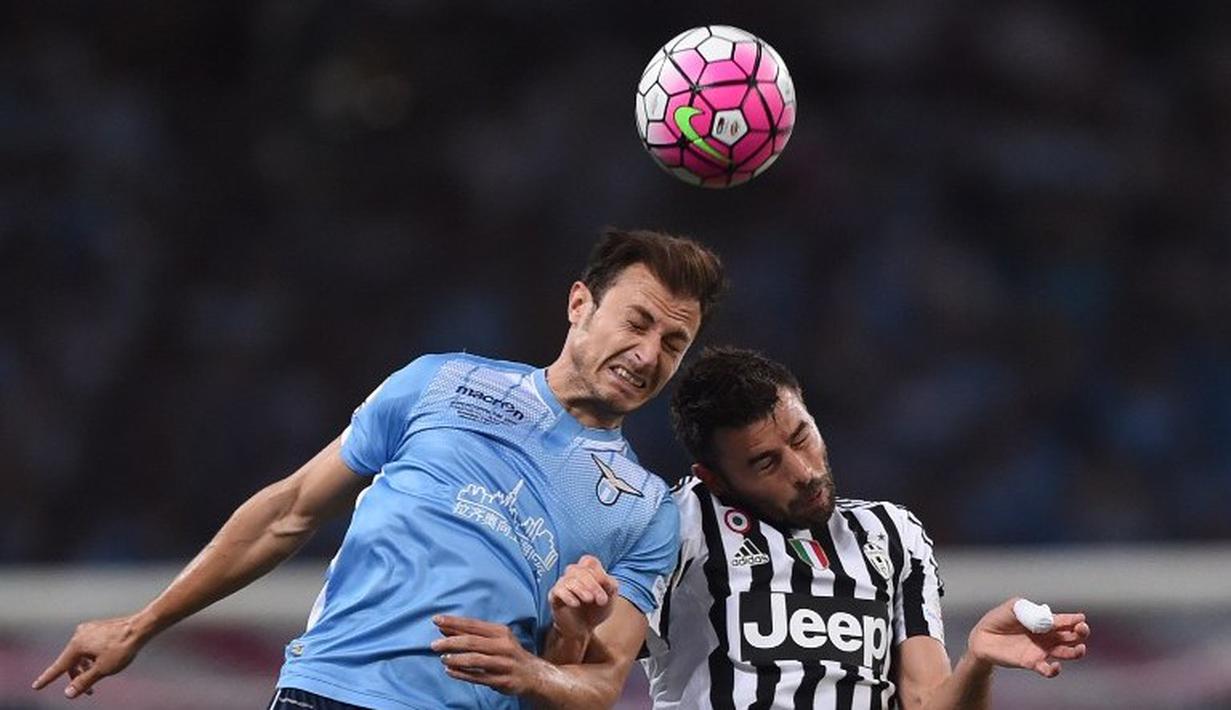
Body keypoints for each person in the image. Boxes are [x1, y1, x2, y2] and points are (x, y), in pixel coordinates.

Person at [31, 228, 726, 709]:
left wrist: (542, 661)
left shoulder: (646, 509)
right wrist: (140, 623)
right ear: (580, 304)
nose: (649, 353)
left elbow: (598, 688)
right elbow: (288, 512)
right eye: (636, 322)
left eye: (674, 342)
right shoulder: (439, 382)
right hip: (326, 693)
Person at [538, 346, 1091, 709]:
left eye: (801, 437)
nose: (803, 472)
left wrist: (978, 661)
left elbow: (925, 702)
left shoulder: (893, 534)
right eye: (765, 463)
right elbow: (581, 685)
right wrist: (571, 631)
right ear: (715, 478)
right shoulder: (675, 523)